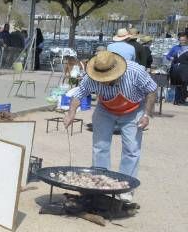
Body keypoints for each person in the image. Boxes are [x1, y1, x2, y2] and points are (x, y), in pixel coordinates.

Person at [63, 50, 157, 201]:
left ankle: (125, 187)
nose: (103, 81)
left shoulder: (135, 71)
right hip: (105, 110)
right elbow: (79, 93)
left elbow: (152, 90)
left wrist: (146, 115)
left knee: (131, 149)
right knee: (100, 146)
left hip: (133, 111)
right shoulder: (92, 75)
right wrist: (71, 113)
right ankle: (101, 183)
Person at [164, 32, 188, 104]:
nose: (182, 41)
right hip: (175, 69)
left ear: (187, 40)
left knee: (184, 83)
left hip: (185, 69)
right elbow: (168, 56)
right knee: (177, 84)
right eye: (180, 40)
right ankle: (176, 100)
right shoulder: (175, 48)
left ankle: (182, 98)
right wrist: (171, 58)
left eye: (183, 40)